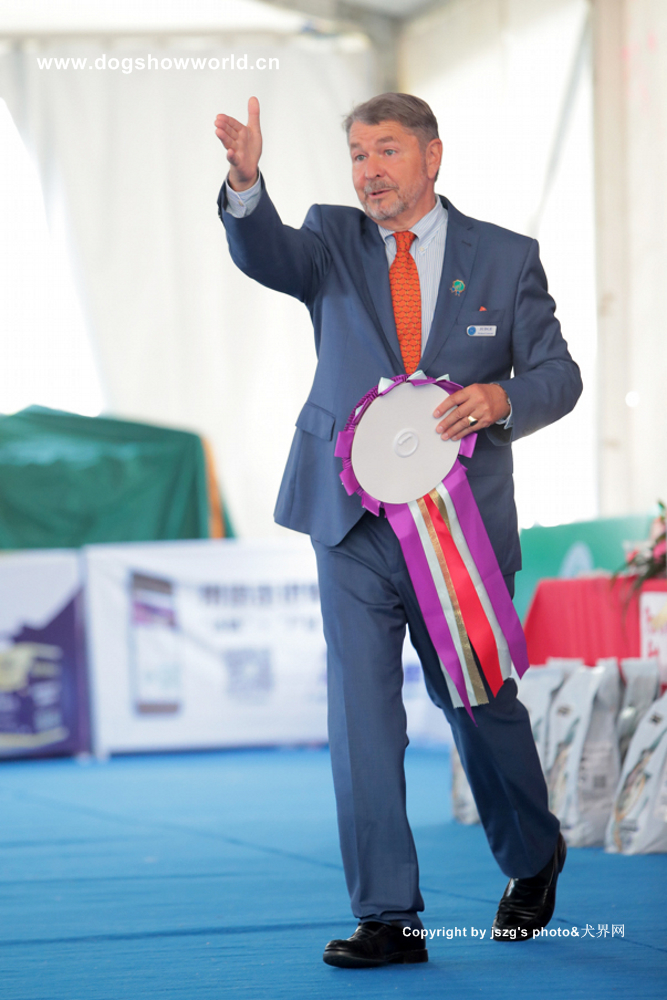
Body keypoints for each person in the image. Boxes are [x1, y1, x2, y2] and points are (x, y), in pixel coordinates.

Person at [214, 93, 582, 968]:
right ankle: (388, 915)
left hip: (459, 526)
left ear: (431, 156)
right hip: (348, 522)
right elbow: (265, 253)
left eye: (384, 150)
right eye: (355, 154)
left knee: (478, 705)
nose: (368, 171)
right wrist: (245, 184)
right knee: (361, 717)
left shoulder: (506, 257)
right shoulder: (330, 238)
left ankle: (533, 852)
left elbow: (558, 376)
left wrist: (501, 398)